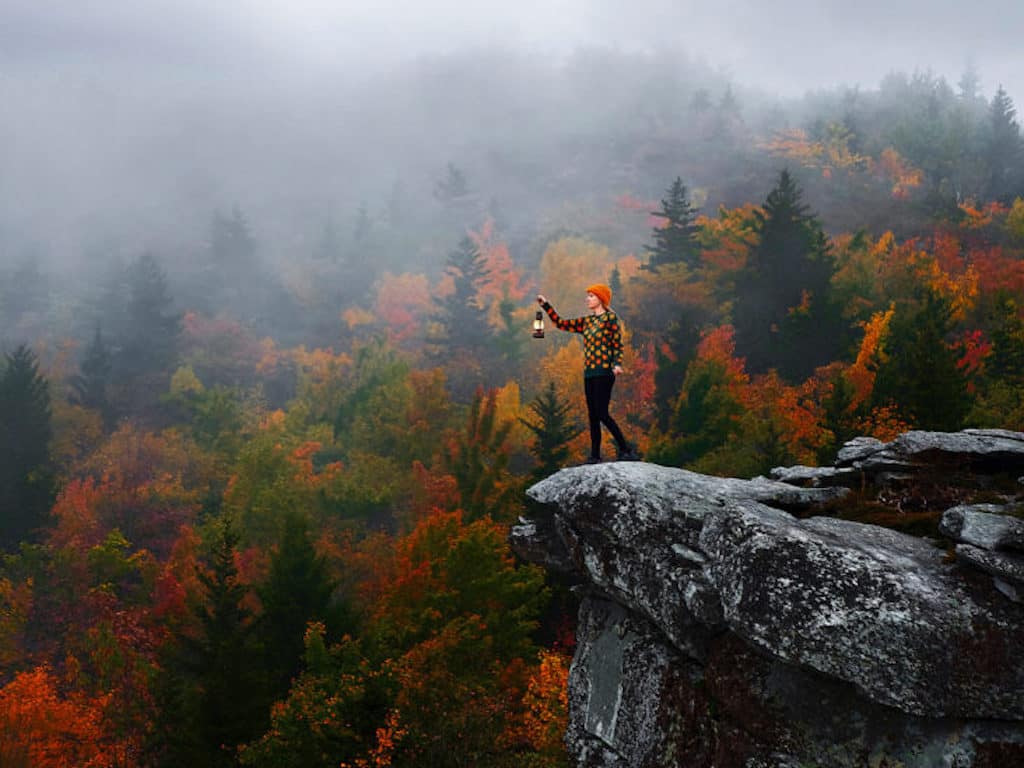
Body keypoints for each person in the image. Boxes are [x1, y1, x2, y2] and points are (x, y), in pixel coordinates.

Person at [536, 284, 640, 464]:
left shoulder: (610, 318)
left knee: (601, 412)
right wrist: (546, 306)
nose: (588, 299)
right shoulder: (587, 322)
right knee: (593, 415)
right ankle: (595, 455)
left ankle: (626, 449)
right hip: (589, 373)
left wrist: (617, 364)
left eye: (591, 296)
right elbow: (560, 323)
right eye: (588, 296)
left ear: (601, 299)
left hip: (605, 372)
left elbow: (617, 344)